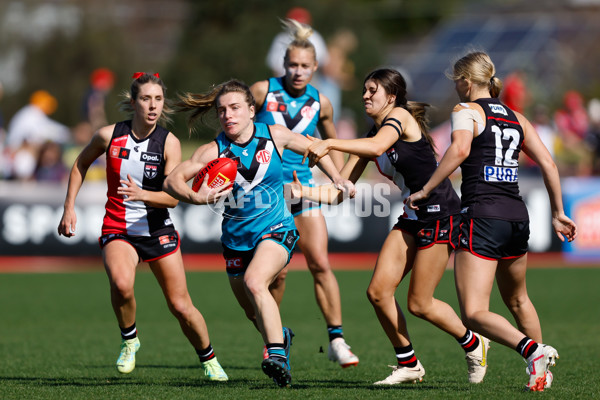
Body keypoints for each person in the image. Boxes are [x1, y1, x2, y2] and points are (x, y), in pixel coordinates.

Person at [300, 68, 491, 385]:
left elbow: (376, 148)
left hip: (440, 214)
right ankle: (410, 363)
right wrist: (300, 192)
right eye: (364, 89)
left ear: (392, 97)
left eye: (372, 90)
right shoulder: (371, 134)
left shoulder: (400, 117)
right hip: (413, 217)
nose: (365, 95)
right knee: (377, 292)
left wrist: (329, 143)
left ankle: (474, 343)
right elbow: (339, 192)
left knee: (420, 304)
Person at [163, 79, 353, 387]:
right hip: (236, 240)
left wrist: (338, 177)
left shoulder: (274, 135)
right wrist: (198, 197)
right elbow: (172, 181)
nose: (228, 115)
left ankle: (275, 355)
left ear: (253, 110)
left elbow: (315, 146)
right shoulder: (213, 150)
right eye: (222, 110)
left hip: (277, 227)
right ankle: (282, 338)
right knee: (254, 312)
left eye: (235, 108)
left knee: (255, 282)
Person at [406, 51, 577, 391]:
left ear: (466, 81)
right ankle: (540, 370)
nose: (455, 87)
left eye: (456, 80)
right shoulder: (516, 116)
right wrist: (559, 212)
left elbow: (458, 151)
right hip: (516, 215)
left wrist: (426, 188)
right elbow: (549, 164)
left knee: (473, 313)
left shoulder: (466, 110)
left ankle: (534, 351)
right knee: (518, 300)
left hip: (482, 215)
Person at [57, 72, 228, 381]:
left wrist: (143, 194)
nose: (153, 106)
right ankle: (130, 340)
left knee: (180, 305)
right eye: (146, 99)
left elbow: (173, 199)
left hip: (158, 230)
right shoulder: (108, 135)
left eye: (158, 99)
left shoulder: (169, 143)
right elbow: (80, 164)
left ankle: (209, 358)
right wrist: (69, 207)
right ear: (133, 102)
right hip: (118, 228)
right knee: (121, 284)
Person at [250, 18, 359, 368]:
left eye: (305, 66)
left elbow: (330, 142)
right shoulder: (261, 91)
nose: (298, 72)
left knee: (320, 262)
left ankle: (337, 340)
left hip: (304, 190)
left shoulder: (322, 102)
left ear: (316, 68)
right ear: (283, 65)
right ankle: (274, 342)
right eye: (292, 65)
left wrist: (338, 178)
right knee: (276, 274)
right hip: (267, 194)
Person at [266, 7, 329, 77]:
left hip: (310, 79)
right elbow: (275, 66)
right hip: (284, 78)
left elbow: (323, 63)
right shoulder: (281, 38)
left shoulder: (315, 37)